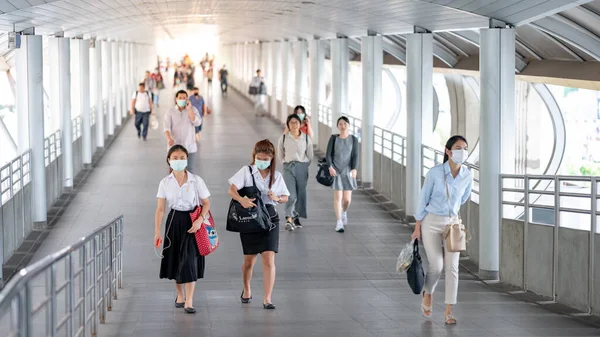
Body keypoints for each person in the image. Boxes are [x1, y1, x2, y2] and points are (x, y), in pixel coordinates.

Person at [410, 135, 472, 325]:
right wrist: (417, 227)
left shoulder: (467, 175)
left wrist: (451, 213)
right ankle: (428, 293)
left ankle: (449, 311)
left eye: (465, 148)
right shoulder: (435, 173)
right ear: (448, 151)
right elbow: (423, 199)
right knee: (436, 265)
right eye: (458, 148)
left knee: (453, 268)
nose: (462, 152)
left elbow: (463, 198)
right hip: (431, 222)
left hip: (452, 224)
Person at [228, 139, 289, 310]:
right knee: (249, 261)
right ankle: (246, 288)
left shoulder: (276, 176)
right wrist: (242, 200)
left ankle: (267, 298)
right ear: (254, 157)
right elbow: (231, 190)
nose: (262, 161)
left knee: (269, 258)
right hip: (251, 219)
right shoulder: (246, 172)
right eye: (259, 158)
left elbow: (285, 197)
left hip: (270, 219)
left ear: (271, 158)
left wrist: (276, 198)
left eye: (265, 158)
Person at [154, 145, 211, 314]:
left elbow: (206, 203)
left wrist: (200, 220)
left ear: (187, 159)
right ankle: (180, 295)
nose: (179, 161)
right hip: (174, 221)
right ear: (169, 160)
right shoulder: (165, 183)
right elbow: (160, 209)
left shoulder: (196, 180)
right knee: (176, 258)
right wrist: (157, 231)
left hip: (192, 220)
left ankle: (190, 300)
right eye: (175, 158)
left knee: (190, 260)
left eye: (182, 158)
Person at [278, 114, 313, 231]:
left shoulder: (306, 138)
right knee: (291, 195)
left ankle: (295, 217)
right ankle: (289, 219)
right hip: (288, 167)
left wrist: (304, 165)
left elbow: (310, 155)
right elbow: (280, 154)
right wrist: (285, 162)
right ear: (288, 124)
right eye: (291, 122)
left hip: (302, 167)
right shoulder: (283, 138)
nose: (294, 124)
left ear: (300, 124)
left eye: (296, 122)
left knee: (300, 194)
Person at [325, 116, 359, 233]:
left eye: (345, 124)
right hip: (336, 170)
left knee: (347, 200)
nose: (343, 126)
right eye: (340, 124)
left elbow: (355, 155)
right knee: (338, 198)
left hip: (348, 171)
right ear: (337, 126)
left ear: (348, 125)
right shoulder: (334, 138)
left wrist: (354, 169)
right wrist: (330, 166)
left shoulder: (353, 139)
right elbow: (328, 154)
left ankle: (344, 211)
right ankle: (339, 222)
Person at [163, 90, 202, 173]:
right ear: (176, 99)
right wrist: (169, 138)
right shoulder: (170, 112)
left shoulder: (193, 110)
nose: (182, 99)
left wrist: (189, 109)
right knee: (174, 172)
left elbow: (197, 123)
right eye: (180, 98)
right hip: (174, 147)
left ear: (187, 99)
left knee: (189, 171)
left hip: (189, 146)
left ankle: (188, 186)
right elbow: (166, 128)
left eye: (184, 98)